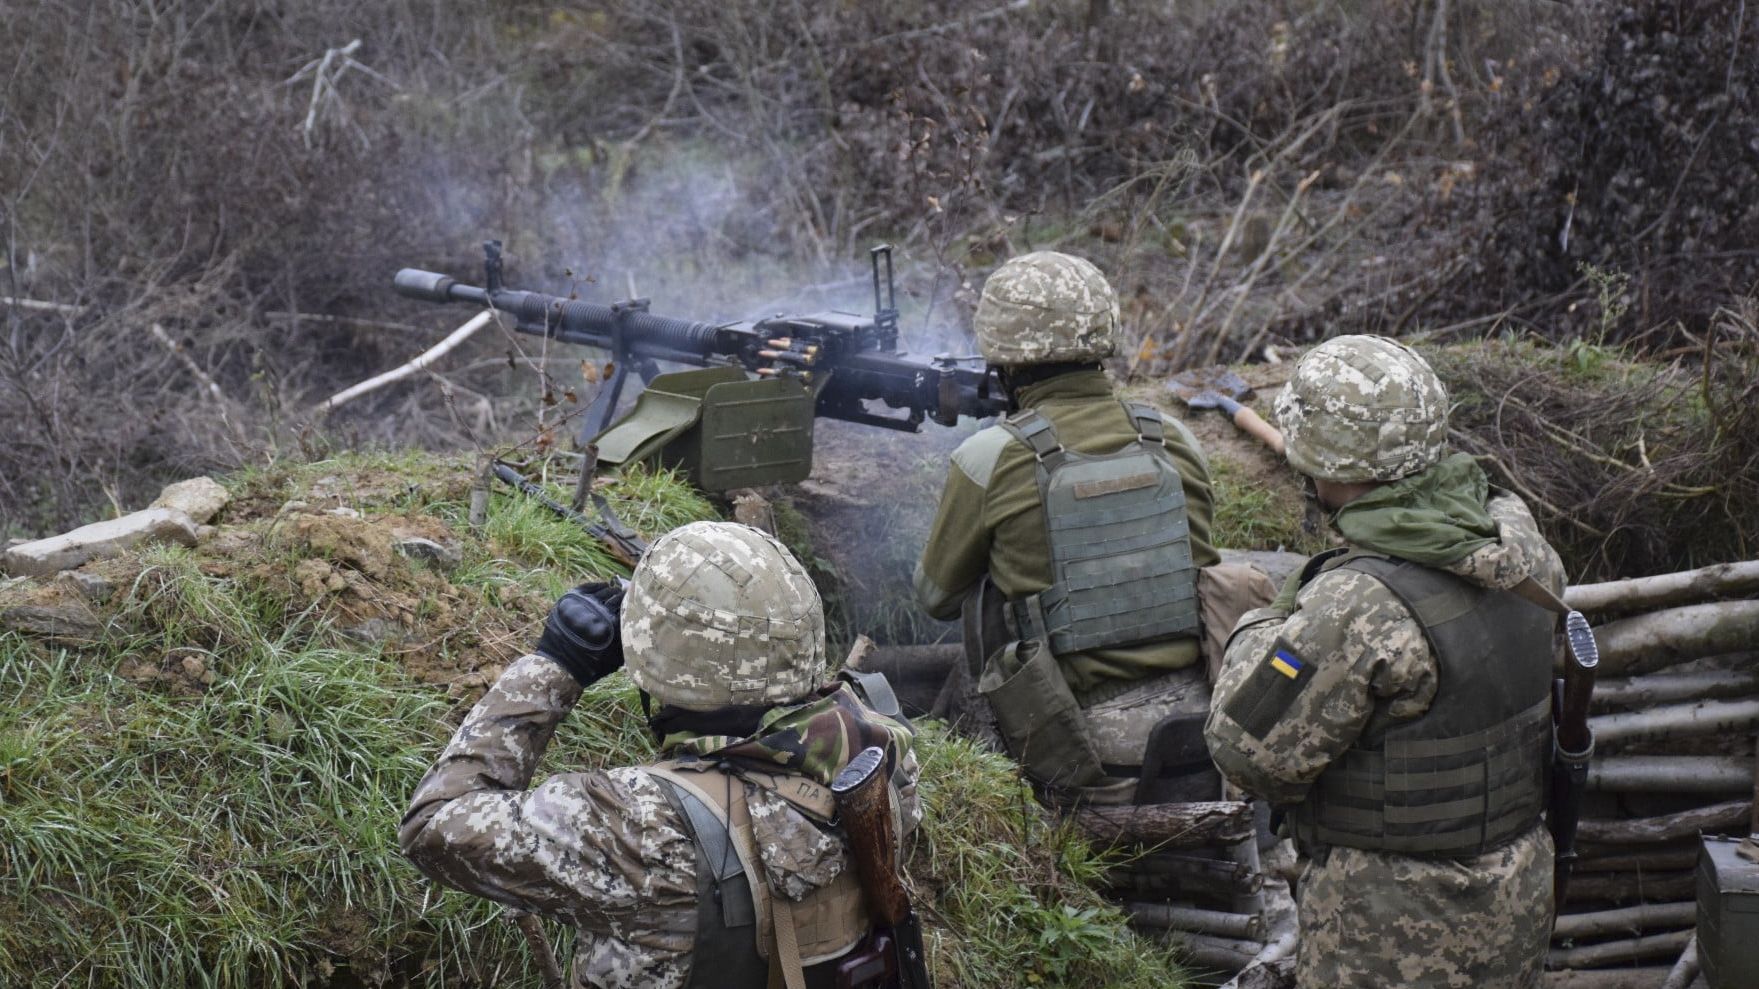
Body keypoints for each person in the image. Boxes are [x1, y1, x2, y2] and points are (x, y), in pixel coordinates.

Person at [400, 520, 921, 989]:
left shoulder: (637, 823)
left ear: (652, 666)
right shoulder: (882, 756)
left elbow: (433, 824)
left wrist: (553, 667)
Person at [1204, 335, 1564, 988]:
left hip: (1392, 935)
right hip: (1513, 908)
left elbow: (1247, 752)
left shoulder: (1355, 602)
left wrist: (1262, 622)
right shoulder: (1511, 533)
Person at [913, 250, 1269, 805]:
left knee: (985, 595)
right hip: (1206, 713)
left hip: (1073, 741)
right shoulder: (1171, 437)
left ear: (1001, 356)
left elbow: (935, 596)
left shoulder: (990, 457)